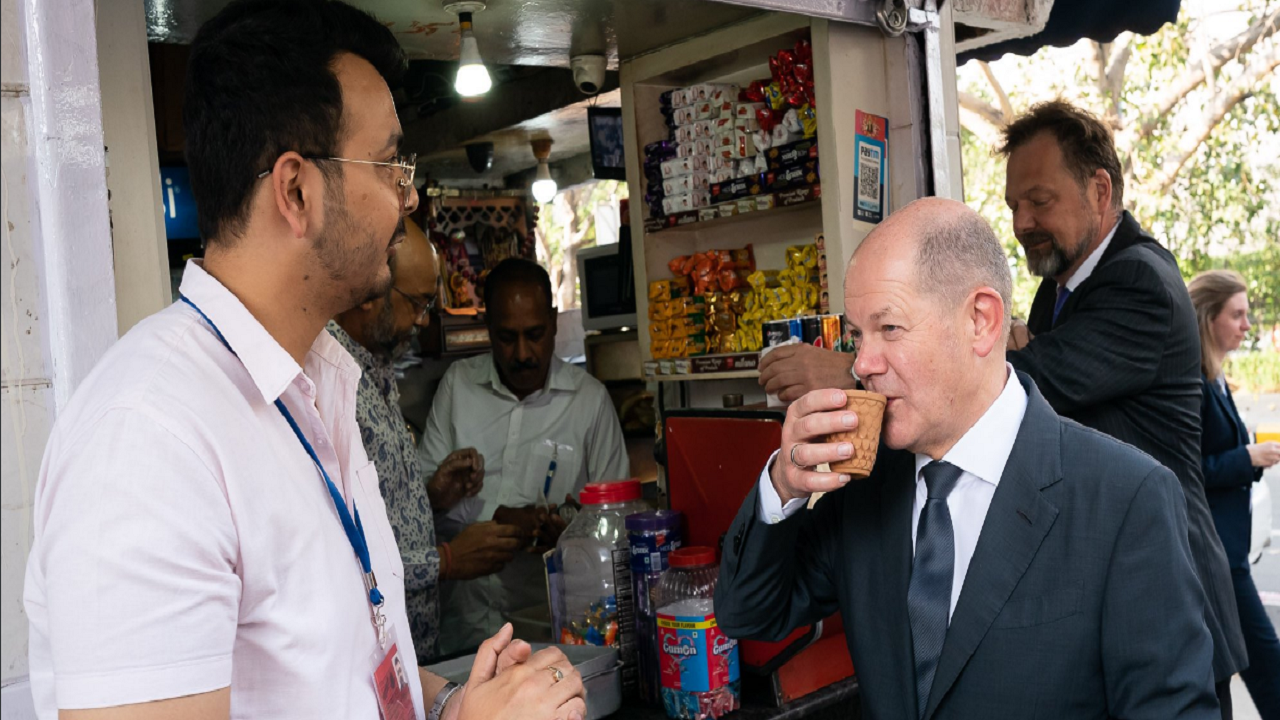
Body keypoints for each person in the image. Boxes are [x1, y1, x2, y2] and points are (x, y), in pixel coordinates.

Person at [22, 2, 585, 719]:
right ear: (296, 191)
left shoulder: (321, 389)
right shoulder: (147, 442)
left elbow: (341, 675)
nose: (407, 196)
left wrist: (449, 703)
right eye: (388, 165)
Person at [715, 197, 1219, 719]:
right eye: (857, 335)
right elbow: (748, 614)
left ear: (980, 320)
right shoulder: (863, 487)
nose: (861, 364)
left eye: (889, 329)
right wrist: (782, 487)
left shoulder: (1125, 499)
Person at [998, 100, 1246, 712]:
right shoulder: (1059, 289)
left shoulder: (1138, 282)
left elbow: (1025, 389)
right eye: (1014, 207)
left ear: (1100, 189)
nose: (1022, 222)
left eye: (1039, 201)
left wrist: (1028, 358)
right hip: (1104, 597)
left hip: (1165, 598)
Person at [329, 217, 525, 665]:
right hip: (371, 662)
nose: (421, 321)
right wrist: (447, 560)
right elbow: (344, 557)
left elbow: (379, 513)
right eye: (416, 303)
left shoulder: (374, 367)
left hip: (415, 659)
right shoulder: (331, 385)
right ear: (366, 291)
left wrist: (430, 497)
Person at [423, 258, 630, 655]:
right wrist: (438, 493)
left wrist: (567, 534)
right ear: (487, 327)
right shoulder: (458, 388)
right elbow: (417, 513)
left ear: (554, 322)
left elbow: (617, 531)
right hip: (461, 630)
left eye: (534, 334)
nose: (522, 353)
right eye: (506, 337)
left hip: (551, 635)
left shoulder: (588, 403)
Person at [1189, 270, 1280, 719]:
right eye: (1238, 314)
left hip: (1231, 554)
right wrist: (1248, 458)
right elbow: (1189, 470)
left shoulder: (1216, 376)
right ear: (1209, 318)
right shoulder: (1195, 383)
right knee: (1265, 661)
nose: (1247, 325)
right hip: (1217, 557)